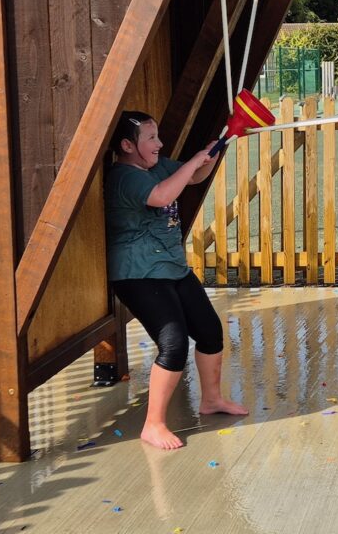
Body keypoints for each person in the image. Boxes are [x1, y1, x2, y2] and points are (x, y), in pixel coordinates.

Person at [105, 111, 248, 450]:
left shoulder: (157, 166)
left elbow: (194, 177)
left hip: (172, 267)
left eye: (158, 137)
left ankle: (211, 400)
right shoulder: (125, 177)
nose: (160, 144)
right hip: (138, 273)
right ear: (127, 145)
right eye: (151, 139)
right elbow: (162, 196)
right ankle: (153, 425)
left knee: (210, 332)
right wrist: (195, 159)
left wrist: (214, 152)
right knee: (174, 345)